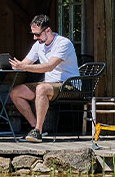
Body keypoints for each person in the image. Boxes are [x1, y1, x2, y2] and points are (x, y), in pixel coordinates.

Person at [8, 14, 80, 143]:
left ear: (48, 30)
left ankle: (38, 130)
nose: (35, 38)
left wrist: (23, 66)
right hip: (49, 84)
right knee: (15, 92)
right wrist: (13, 65)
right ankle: (35, 128)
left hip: (68, 84)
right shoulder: (38, 45)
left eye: (38, 34)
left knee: (41, 88)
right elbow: (26, 63)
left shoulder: (63, 43)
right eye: (33, 34)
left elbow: (49, 66)